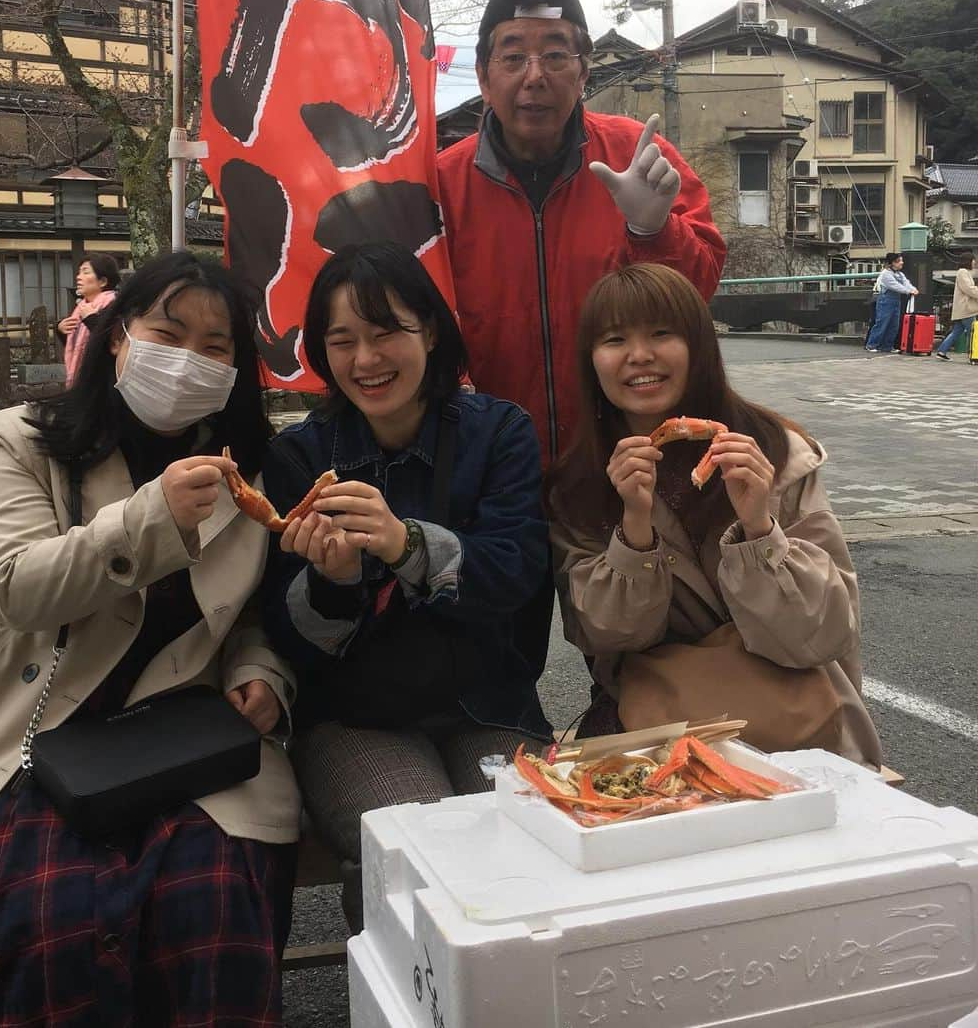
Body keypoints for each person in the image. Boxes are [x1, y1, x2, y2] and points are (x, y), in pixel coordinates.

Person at [0, 251, 300, 1027]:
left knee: (209, 910)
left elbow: (255, 614)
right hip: (44, 736)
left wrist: (262, 675)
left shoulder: (251, 468)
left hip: (187, 739)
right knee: (48, 921)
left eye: (216, 348)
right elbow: (11, 587)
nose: (188, 361)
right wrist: (152, 520)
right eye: (168, 332)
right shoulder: (21, 439)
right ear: (118, 336)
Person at [260, 241, 551, 932]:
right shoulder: (298, 456)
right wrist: (332, 584)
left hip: (488, 700)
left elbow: (515, 572)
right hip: (356, 717)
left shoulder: (499, 432)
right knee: (412, 846)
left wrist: (404, 543)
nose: (367, 360)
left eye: (387, 331)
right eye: (342, 340)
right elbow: (286, 633)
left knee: (537, 832)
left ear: (431, 329)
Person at [548, 262, 882, 769]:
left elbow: (827, 631)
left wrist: (759, 530)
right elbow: (607, 638)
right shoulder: (578, 487)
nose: (640, 355)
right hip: (658, 727)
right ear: (591, 360)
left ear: (699, 345)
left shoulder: (778, 454)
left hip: (801, 727)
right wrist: (634, 532)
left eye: (662, 333)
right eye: (615, 339)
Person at [436, 0, 726, 469]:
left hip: (631, 453)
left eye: (554, 55)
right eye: (512, 58)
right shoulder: (440, 186)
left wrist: (654, 231)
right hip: (491, 463)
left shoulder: (639, 156)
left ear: (583, 70)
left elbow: (698, 291)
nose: (535, 76)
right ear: (484, 77)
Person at [58, 252, 120, 386]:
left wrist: (92, 319)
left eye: (86, 272)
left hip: (104, 380)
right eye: (79, 272)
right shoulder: (81, 307)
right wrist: (62, 330)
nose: (79, 277)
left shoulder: (114, 305)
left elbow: (112, 341)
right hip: (84, 379)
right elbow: (78, 345)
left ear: (103, 281)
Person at [865, 252, 918, 353]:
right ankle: (871, 345)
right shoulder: (886, 274)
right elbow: (895, 286)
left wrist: (913, 288)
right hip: (885, 300)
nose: (902, 263)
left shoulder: (900, 274)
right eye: (899, 261)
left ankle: (887, 346)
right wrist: (909, 291)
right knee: (882, 323)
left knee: (894, 325)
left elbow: (906, 283)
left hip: (895, 300)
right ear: (893, 263)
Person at [935, 250, 978, 360]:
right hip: (966, 309)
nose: (975, 262)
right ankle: (974, 355)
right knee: (972, 333)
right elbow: (968, 289)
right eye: (973, 260)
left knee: (956, 332)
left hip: (962, 309)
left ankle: (941, 351)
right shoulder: (963, 272)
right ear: (968, 261)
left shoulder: (964, 272)